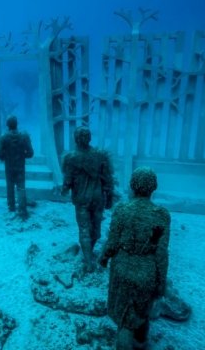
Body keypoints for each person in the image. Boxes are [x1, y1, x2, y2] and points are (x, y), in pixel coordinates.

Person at [98, 167, 171, 350]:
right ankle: (141, 343)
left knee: (125, 321)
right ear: (153, 187)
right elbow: (161, 253)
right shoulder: (162, 215)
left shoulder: (122, 210)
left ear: (132, 186)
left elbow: (113, 242)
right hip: (147, 272)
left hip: (122, 268)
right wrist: (161, 282)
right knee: (142, 312)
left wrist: (104, 258)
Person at [61, 126, 115, 272]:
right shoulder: (100, 156)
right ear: (89, 138)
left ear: (75, 139)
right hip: (98, 198)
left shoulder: (70, 158)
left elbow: (67, 181)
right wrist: (109, 197)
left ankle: (88, 261)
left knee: (84, 228)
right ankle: (89, 252)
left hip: (81, 199)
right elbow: (108, 179)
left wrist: (63, 190)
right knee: (96, 228)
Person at [0, 115, 34, 219]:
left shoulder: (3, 137)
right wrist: (22, 155)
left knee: (10, 185)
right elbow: (30, 153)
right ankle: (22, 209)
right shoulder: (24, 136)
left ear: (7, 125)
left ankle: (11, 206)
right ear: (17, 124)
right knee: (21, 186)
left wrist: (6, 156)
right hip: (20, 166)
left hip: (9, 166)